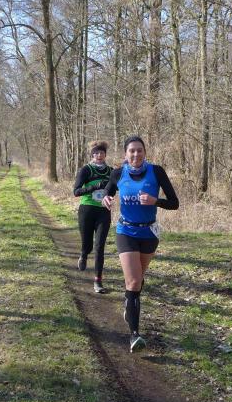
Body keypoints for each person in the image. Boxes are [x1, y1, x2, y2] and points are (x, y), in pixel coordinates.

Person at [102, 135, 179, 352]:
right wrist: (106, 198)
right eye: (132, 151)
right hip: (126, 231)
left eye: (139, 150)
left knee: (138, 281)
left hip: (149, 233)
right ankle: (134, 335)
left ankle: (129, 303)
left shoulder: (157, 172)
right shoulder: (118, 173)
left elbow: (174, 203)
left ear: (145, 152)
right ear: (125, 154)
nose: (136, 154)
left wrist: (156, 201)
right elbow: (108, 191)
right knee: (134, 281)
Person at [73, 140, 112, 293]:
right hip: (87, 210)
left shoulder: (110, 171)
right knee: (87, 244)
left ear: (105, 154)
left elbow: (115, 188)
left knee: (99, 247)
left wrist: (110, 192)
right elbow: (76, 191)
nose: (99, 155)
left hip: (103, 211)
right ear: (92, 155)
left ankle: (98, 281)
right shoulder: (86, 170)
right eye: (96, 153)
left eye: (101, 153)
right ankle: (83, 254)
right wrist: (94, 186)